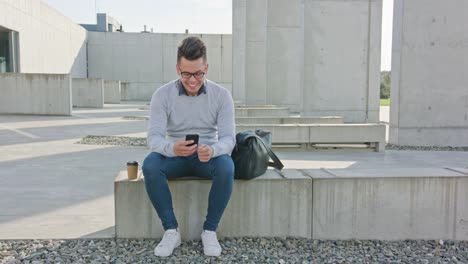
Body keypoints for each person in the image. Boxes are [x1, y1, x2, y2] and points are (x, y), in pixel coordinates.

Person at [142, 36, 235, 257]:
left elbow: (229, 139)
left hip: (207, 157)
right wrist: (172, 148)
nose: (192, 80)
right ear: (177, 68)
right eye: (186, 74)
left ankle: (209, 231)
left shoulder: (222, 96)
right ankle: (171, 231)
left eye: (198, 73)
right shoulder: (162, 95)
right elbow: (153, 138)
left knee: (226, 166)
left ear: (206, 68)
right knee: (150, 165)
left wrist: (213, 150)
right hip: (175, 156)